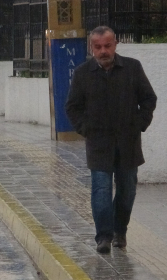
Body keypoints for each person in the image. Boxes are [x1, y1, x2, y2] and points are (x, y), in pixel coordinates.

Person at [65, 25, 157, 254]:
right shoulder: (82, 73)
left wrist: (139, 124)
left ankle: (120, 231)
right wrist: (86, 128)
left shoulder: (132, 68)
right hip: (99, 145)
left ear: (115, 44)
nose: (103, 51)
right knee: (101, 190)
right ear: (91, 48)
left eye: (107, 45)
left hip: (128, 143)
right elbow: (72, 107)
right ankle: (103, 237)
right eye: (98, 47)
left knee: (127, 192)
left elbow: (148, 99)